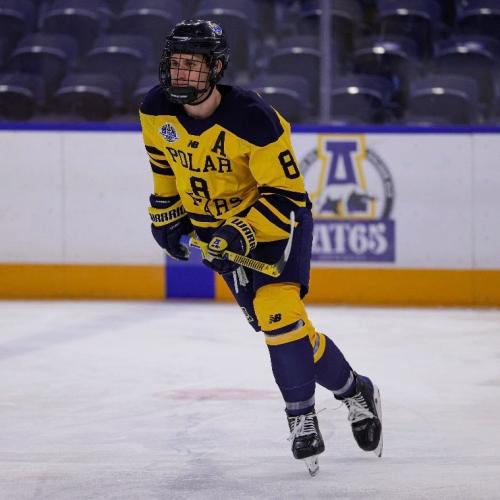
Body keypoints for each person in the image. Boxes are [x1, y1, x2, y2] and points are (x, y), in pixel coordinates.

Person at [139, 19, 383, 475]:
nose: (180, 73)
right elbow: (164, 165)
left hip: (277, 229)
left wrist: (239, 231)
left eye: (192, 65)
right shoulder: (154, 109)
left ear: (217, 68)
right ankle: (354, 389)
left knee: (278, 316)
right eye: (176, 63)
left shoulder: (254, 118)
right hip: (217, 235)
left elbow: (286, 196)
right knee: (288, 332)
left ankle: (301, 418)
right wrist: (165, 210)